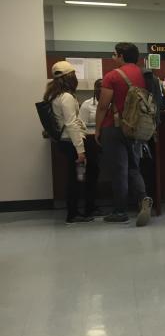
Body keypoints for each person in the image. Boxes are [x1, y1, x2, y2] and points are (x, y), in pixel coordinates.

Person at [95, 42, 153, 226]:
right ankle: (143, 199)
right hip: (136, 128)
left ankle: (120, 211)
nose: (112, 58)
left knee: (119, 170)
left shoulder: (111, 76)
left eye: (114, 55)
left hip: (115, 127)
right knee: (134, 167)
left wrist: (97, 129)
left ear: (120, 56)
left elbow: (103, 105)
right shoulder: (145, 75)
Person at [45, 61, 96, 223]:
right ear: (69, 77)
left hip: (64, 142)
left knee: (74, 177)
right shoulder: (66, 97)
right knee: (75, 179)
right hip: (71, 143)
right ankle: (72, 214)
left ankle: (73, 212)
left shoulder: (54, 95)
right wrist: (80, 150)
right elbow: (72, 124)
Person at [78, 78, 102, 216]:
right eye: (98, 87)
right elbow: (81, 127)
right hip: (91, 143)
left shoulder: (112, 104)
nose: (101, 89)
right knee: (91, 174)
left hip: (107, 141)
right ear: (94, 89)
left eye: (104, 87)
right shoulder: (87, 105)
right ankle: (90, 206)